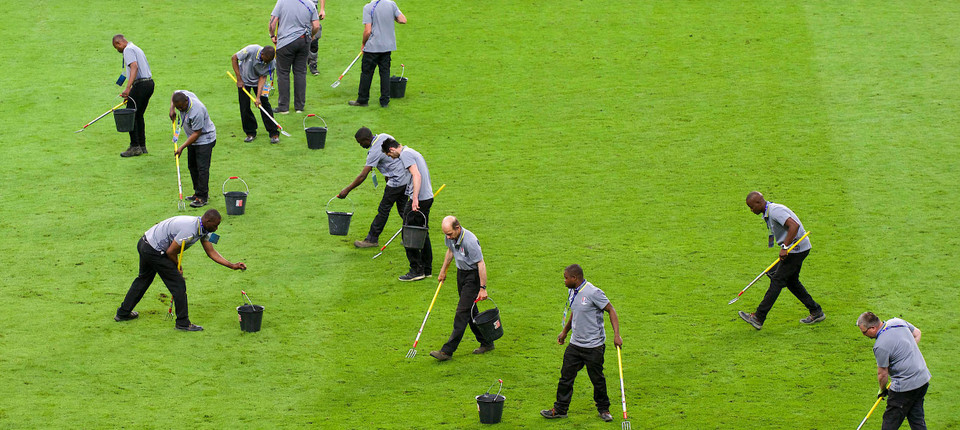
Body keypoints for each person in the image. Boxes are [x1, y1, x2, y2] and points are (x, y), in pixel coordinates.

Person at [115, 210, 247, 331]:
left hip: (145, 242)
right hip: (154, 250)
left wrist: (232, 265)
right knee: (178, 284)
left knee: (143, 279)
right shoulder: (189, 230)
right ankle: (183, 323)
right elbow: (171, 251)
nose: (217, 228)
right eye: (216, 225)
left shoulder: (204, 229)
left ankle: (123, 313)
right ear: (207, 221)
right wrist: (177, 266)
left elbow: (211, 252)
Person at [541, 264, 621, 422]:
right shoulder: (572, 291)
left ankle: (604, 410)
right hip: (575, 345)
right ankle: (560, 409)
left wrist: (617, 335)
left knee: (597, 379)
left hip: (594, 347)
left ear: (575, 278)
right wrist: (565, 332)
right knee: (565, 378)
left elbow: (611, 310)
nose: (564, 281)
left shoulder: (593, 292)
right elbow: (575, 313)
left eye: (566, 278)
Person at [738, 191, 825, 330]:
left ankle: (758, 317)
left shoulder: (775, 211)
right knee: (790, 281)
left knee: (777, 280)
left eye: (751, 207)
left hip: (796, 249)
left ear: (759, 203)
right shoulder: (769, 212)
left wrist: (785, 247)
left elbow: (794, 226)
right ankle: (816, 311)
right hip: (794, 249)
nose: (751, 210)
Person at [428, 216, 494, 361]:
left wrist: (482, 288)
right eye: (446, 234)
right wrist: (443, 270)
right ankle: (487, 342)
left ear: (458, 228)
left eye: (450, 234)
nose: (448, 237)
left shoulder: (470, 241)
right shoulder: (451, 237)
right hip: (461, 274)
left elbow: (481, 264)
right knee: (471, 312)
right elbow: (450, 251)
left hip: (473, 277)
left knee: (462, 313)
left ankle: (447, 351)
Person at [337, 127, 409, 248]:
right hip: (406, 176)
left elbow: (362, 176)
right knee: (403, 209)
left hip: (397, 181)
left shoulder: (374, 151)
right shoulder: (384, 136)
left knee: (383, 210)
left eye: (361, 143)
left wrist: (347, 190)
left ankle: (372, 239)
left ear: (366, 139)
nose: (361, 145)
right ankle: (411, 237)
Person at [857, 312, 931, 429]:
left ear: (872, 328)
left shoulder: (880, 345)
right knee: (917, 419)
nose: (864, 335)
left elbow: (882, 374)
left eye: (864, 332)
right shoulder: (898, 322)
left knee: (889, 423)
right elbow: (917, 334)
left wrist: (882, 390)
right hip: (923, 379)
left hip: (904, 388)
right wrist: (907, 353)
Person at [382, 138, 433, 281]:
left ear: (391, 150)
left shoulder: (405, 154)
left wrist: (415, 198)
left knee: (408, 234)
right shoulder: (413, 151)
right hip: (427, 197)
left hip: (418, 199)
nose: (391, 158)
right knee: (423, 232)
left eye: (389, 155)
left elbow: (416, 175)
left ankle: (416, 270)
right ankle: (427, 268)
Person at [348, 0, 406, 108]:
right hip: (387, 46)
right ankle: (385, 102)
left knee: (366, 73)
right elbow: (403, 20)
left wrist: (363, 43)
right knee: (385, 73)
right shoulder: (391, 4)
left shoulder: (368, 7)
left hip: (372, 47)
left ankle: (363, 100)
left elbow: (367, 31)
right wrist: (390, 16)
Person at [269, 0, 320, 114]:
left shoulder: (282, 2)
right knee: (301, 73)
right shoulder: (310, 4)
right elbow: (316, 25)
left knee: (283, 73)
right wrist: (311, 35)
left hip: (285, 43)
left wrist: (272, 35)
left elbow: (272, 23)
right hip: (304, 41)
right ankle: (299, 107)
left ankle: (283, 107)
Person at [169, 91, 217, 208]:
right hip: (192, 139)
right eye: (178, 107)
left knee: (202, 168)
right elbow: (174, 94)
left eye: (182, 107)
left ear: (187, 101)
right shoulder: (182, 96)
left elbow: (197, 133)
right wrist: (172, 109)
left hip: (205, 139)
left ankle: (202, 197)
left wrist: (182, 147)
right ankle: (197, 192)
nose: (180, 109)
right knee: (192, 166)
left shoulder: (197, 111)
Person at [112, 35, 155, 158]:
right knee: (138, 115)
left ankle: (135, 146)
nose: (118, 50)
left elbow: (134, 67)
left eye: (116, 47)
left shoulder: (127, 50)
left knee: (130, 115)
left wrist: (128, 88)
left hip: (140, 84)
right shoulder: (135, 47)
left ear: (119, 43)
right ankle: (142, 146)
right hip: (149, 84)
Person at [231, 44, 280, 144]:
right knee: (244, 107)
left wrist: (258, 98)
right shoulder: (250, 50)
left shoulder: (272, 62)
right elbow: (234, 58)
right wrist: (239, 79)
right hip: (244, 80)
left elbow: (263, 78)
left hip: (259, 81)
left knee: (265, 105)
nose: (266, 63)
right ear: (262, 54)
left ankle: (273, 133)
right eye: (265, 60)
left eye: (268, 61)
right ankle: (250, 132)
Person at [308, 0, 326, 75]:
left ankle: (313, 64)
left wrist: (322, 9)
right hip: (299, 8)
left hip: (313, 8)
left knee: (315, 37)